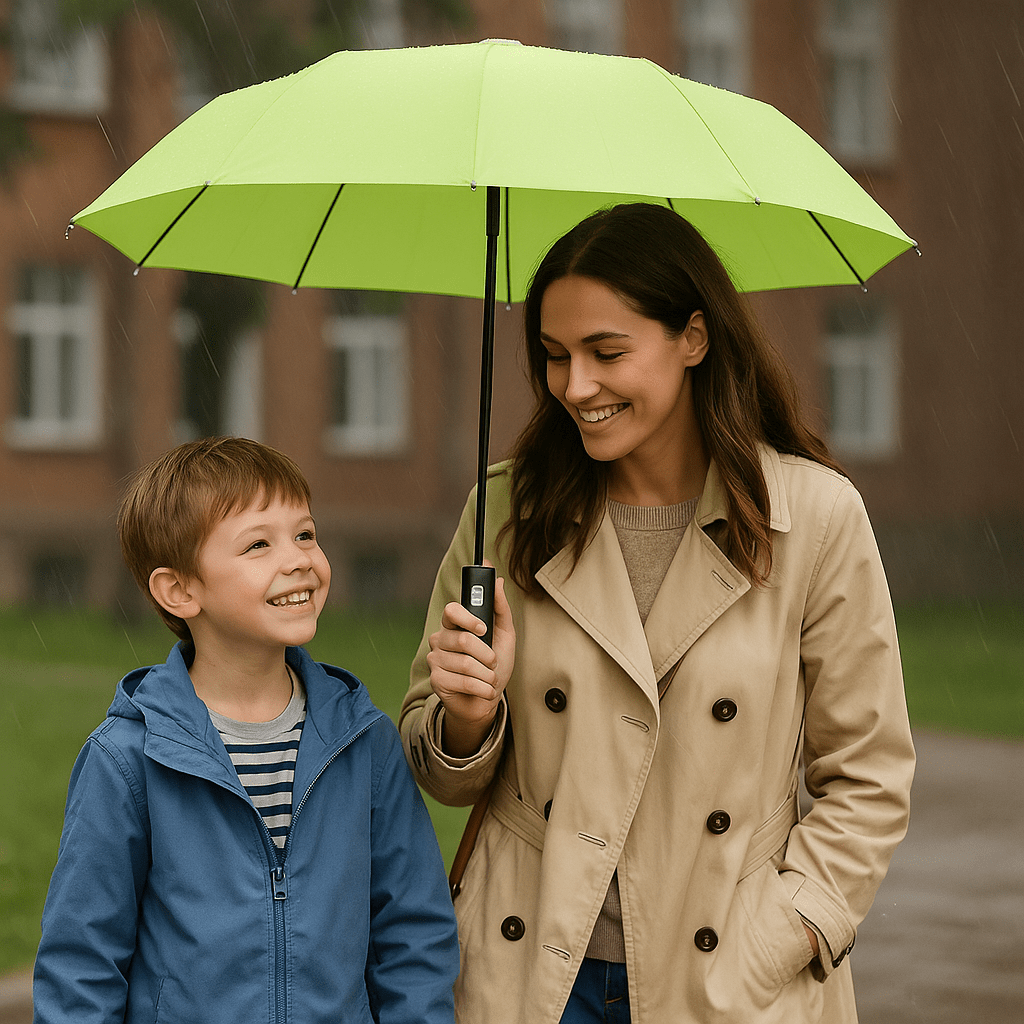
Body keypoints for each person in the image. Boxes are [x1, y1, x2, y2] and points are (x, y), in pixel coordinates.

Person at [399, 203, 915, 1024]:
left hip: (727, 981)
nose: (576, 387)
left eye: (607, 352)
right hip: (529, 972)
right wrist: (468, 718)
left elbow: (869, 774)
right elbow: (435, 766)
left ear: (694, 339)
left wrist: (783, 935)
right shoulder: (504, 509)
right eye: (555, 355)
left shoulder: (814, 517)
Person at [33, 436, 459, 1024]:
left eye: (305, 534)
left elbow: (414, 934)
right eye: (259, 544)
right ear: (179, 590)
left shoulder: (365, 742)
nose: (298, 559)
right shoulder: (129, 757)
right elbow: (80, 963)